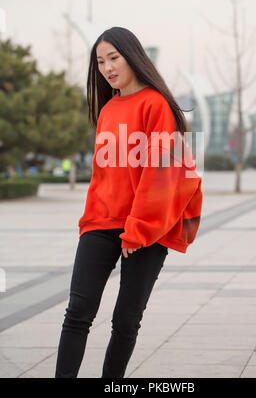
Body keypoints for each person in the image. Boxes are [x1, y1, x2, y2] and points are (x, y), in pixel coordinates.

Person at [54, 26, 203, 378]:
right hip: (101, 225)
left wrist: (137, 231)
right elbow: (101, 175)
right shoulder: (108, 110)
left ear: (133, 56)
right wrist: (87, 221)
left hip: (146, 232)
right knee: (77, 312)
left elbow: (161, 174)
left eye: (114, 58)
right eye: (100, 61)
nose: (107, 67)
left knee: (125, 321)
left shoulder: (156, 105)